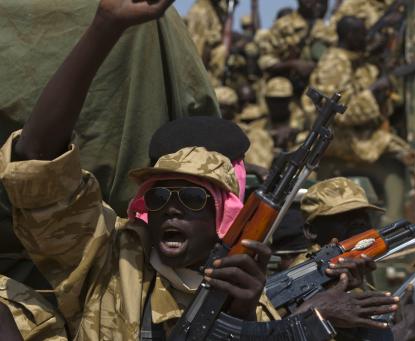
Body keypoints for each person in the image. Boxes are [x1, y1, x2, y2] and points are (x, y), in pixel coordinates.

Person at [0, 1, 281, 340]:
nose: (172, 207)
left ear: (223, 216)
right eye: (158, 195)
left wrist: (243, 315)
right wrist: (106, 26)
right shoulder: (112, 262)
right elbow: (37, 159)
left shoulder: (249, 296)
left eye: (193, 197)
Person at [297, 177, 415, 340]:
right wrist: (407, 330)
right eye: (344, 217)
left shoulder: (357, 276)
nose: (359, 223)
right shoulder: (305, 287)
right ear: (311, 231)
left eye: (363, 216)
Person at [305, 15, 414, 165]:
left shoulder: (356, 62)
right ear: (350, 36)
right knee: (405, 154)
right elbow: (337, 114)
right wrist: (374, 90)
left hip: (353, 134)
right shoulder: (335, 63)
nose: (366, 38)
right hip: (335, 138)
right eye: (362, 34)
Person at [258, 0, 331, 96]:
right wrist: (292, 64)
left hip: (316, 93)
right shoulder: (282, 26)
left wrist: (315, 67)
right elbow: (265, 61)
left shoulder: (326, 29)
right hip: (285, 95)